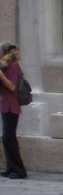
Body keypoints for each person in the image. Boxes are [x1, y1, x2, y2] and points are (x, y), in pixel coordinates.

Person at [0, 43, 26, 179]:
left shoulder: (14, 66)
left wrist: (1, 76)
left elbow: (12, 87)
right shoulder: (4, 66)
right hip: (5, 105)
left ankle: (19, 170)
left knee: (9, 137)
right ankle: (10, 168)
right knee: (6, 138)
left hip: (12, 106)